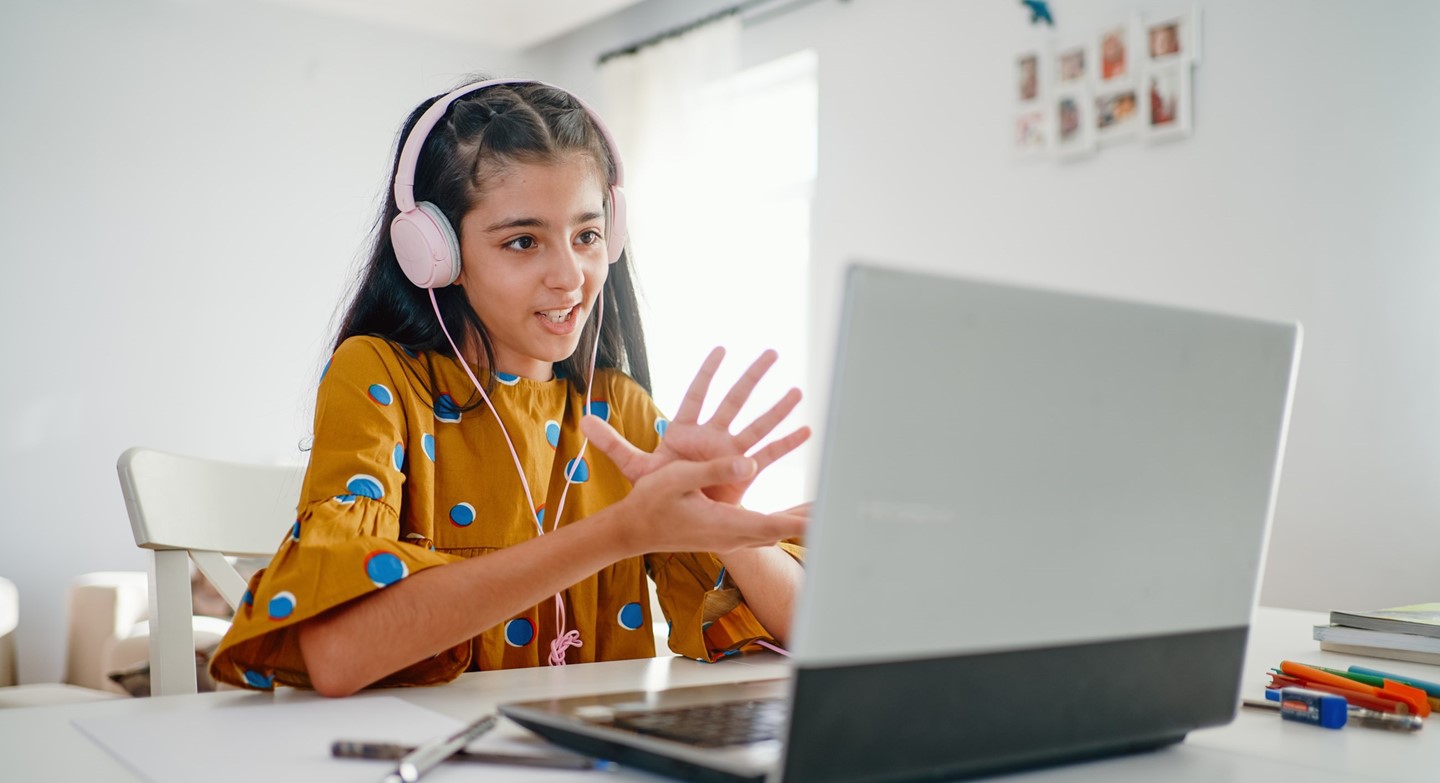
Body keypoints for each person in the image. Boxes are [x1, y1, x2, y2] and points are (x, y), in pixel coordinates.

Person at [208, 77, 811, 698]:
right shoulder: (380, 376)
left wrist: (728, 524)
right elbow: (336, 654)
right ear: (435, 253)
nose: (570, 277)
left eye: (587, 235)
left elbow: (809, 636)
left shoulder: (618, 409)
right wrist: (621, 532)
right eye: (523, 241)